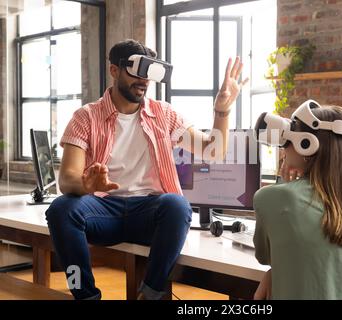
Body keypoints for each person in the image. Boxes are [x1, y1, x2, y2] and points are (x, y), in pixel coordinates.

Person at [45, 39, 248, 300]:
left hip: (150, 214)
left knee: (177, 206)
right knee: (60, 210)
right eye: (136, 71)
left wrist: (222, 111)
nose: (143, 81)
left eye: (149, 74)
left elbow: (213, 151)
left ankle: (149, 294)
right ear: (114, 71)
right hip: (103, 211)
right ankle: (83, 294)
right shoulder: (86, 116)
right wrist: (87, 186)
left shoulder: (164, 114)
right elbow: (67, 179)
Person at [253, 105, 342, 300]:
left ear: (306, 145)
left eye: (287, 142)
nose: (284, 150)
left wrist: (286, 184)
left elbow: (266, 257)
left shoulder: (271, 199)